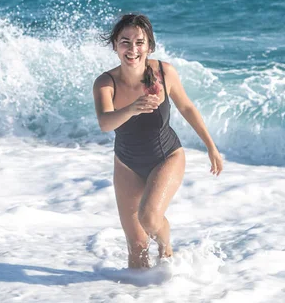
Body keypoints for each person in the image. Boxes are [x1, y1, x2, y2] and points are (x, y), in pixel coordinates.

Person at [93, 13, 223, 269]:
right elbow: (105, 123)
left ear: (149, 46)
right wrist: (133, 107)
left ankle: (166, 248)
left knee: (150, 218)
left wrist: (211, 147)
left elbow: (187, 108)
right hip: (127, 164)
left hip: (166, 157)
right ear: (115, 45)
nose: (132, 49)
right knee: (137, 251)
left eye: (139, 42)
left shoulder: (164, 73)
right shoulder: (105, 83)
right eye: (125, 42)